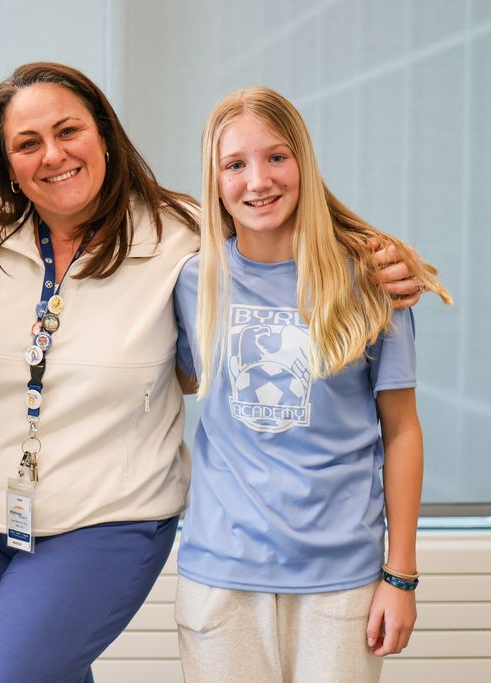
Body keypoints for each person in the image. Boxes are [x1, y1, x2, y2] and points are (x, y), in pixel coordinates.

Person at [0, 63, 430, 683]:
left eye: (68, 130)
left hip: (110, 520)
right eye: (27, 143)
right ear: (1, 168)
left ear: (104, 133)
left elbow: (278, 222)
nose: (52, 154)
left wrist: (373, 254)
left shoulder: (184, 234)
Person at [171, 87, 451, 682]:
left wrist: (400, 575)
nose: (258, 181)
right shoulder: (193, 282)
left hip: (341, 583)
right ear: (215, 181)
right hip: (220, 577)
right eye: (235, 164)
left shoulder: (373, 280)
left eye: (276, 157)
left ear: (303, 162)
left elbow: (402, 431)